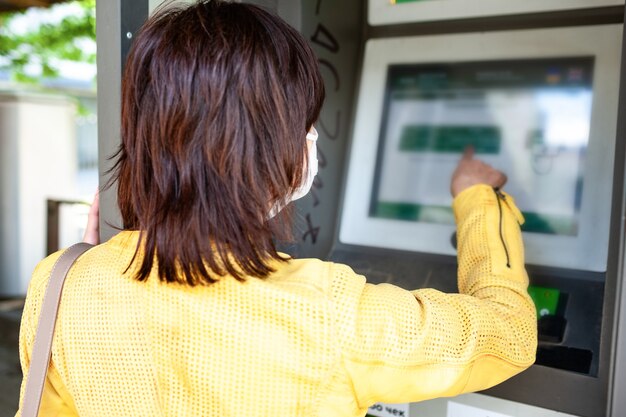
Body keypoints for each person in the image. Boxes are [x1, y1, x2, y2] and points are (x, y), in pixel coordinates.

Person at [15, 1, 537, 416]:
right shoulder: (332, 316)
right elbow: (509, 330)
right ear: (275, 154)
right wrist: (477, 200)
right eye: (302, 126)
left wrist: (89, 259)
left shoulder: (60, 286)